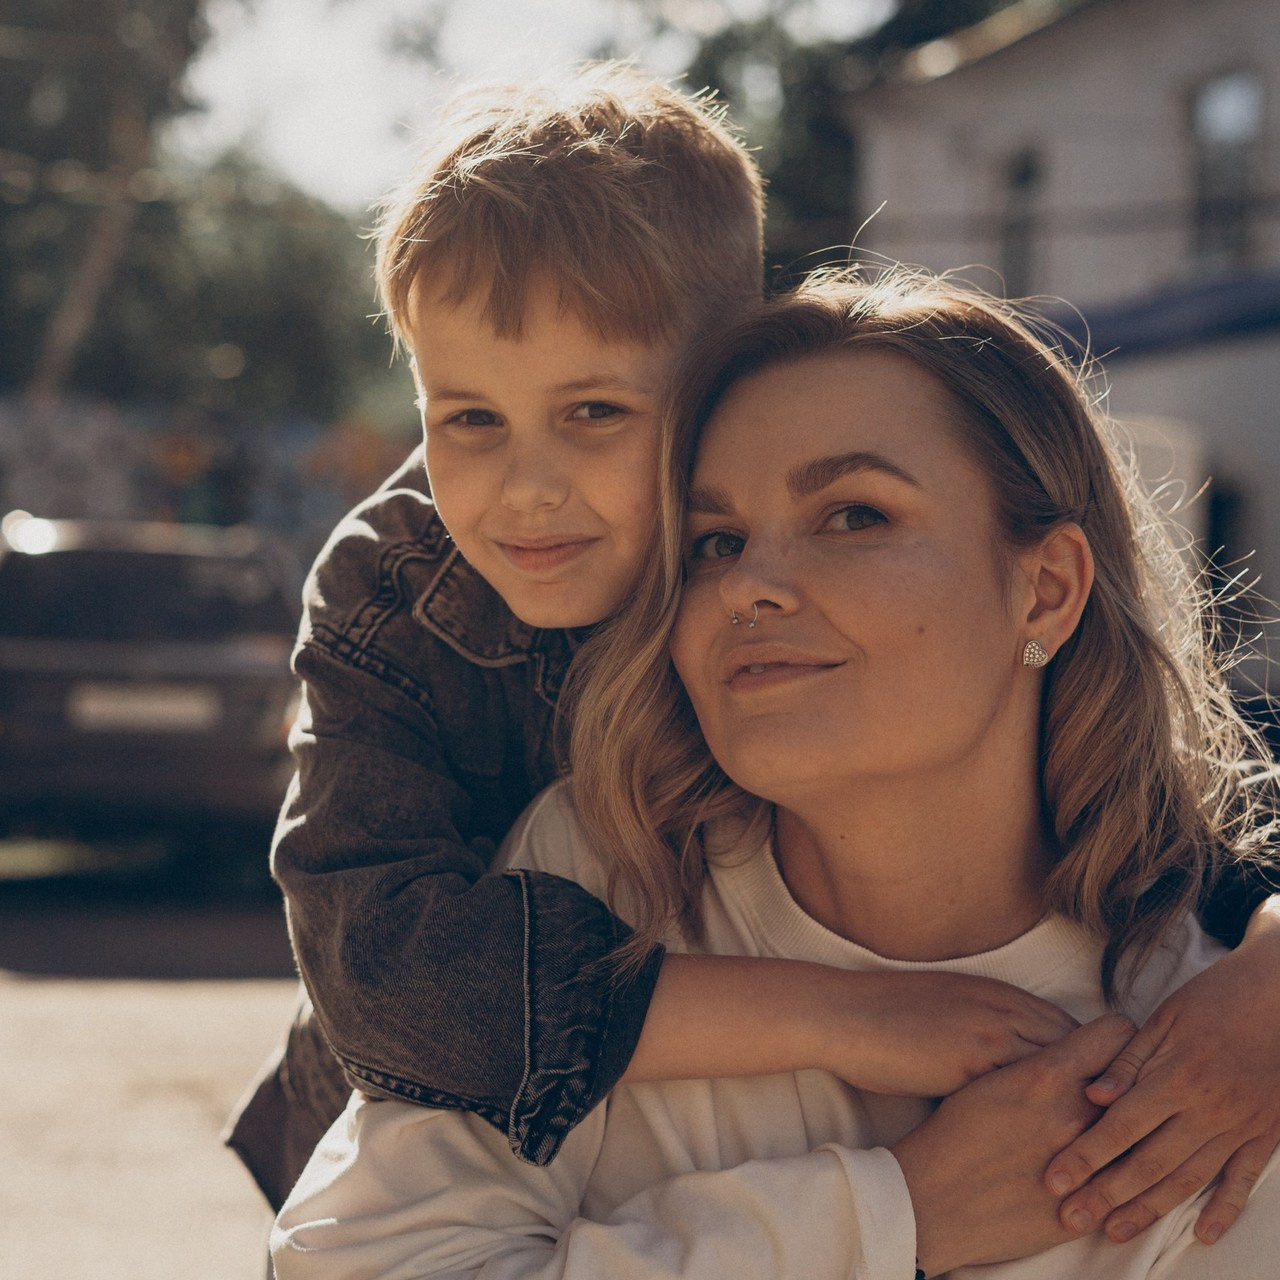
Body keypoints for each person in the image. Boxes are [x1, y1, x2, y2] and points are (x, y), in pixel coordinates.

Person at [231, 64, 1280, 1243]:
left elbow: (1190, 823)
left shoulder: (1156, 994)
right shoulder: (409, 601)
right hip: (407, 1078)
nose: (524, 487)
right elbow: (386, 983)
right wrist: (852, 1034)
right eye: (466, 417)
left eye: (593, 413)